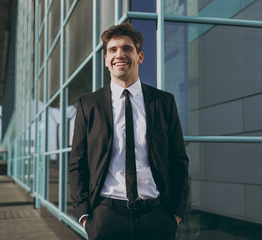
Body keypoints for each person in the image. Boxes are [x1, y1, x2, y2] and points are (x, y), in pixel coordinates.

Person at [68, 22, 189, 240]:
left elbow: (179, 160)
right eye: (112, 50)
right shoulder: (88, 105)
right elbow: (77, 164)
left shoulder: (163, 102)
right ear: (106, 60)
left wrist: (176, 214)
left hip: (156, 216)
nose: (119, 54)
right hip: (106, 216)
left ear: (140, 57)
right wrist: (85, 216)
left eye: (127, 49)